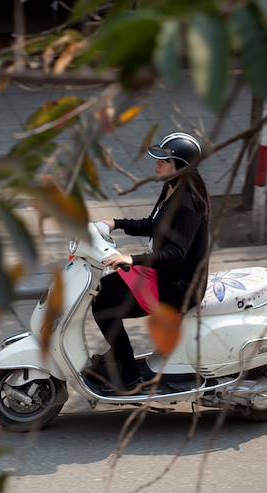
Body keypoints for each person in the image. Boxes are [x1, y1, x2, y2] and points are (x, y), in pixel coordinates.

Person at [87, 132, 211, 394]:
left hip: (179, 287)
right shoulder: (171, 187)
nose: (158, 164)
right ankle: (119, 359)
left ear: (180, 166)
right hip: (162, 275)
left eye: (164, 160)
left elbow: (176, 253)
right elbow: (154, 224)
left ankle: (129, 375)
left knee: (104, 306)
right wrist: (114, 223)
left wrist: (130, 258)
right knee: (101, 291)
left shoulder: (188, 204)